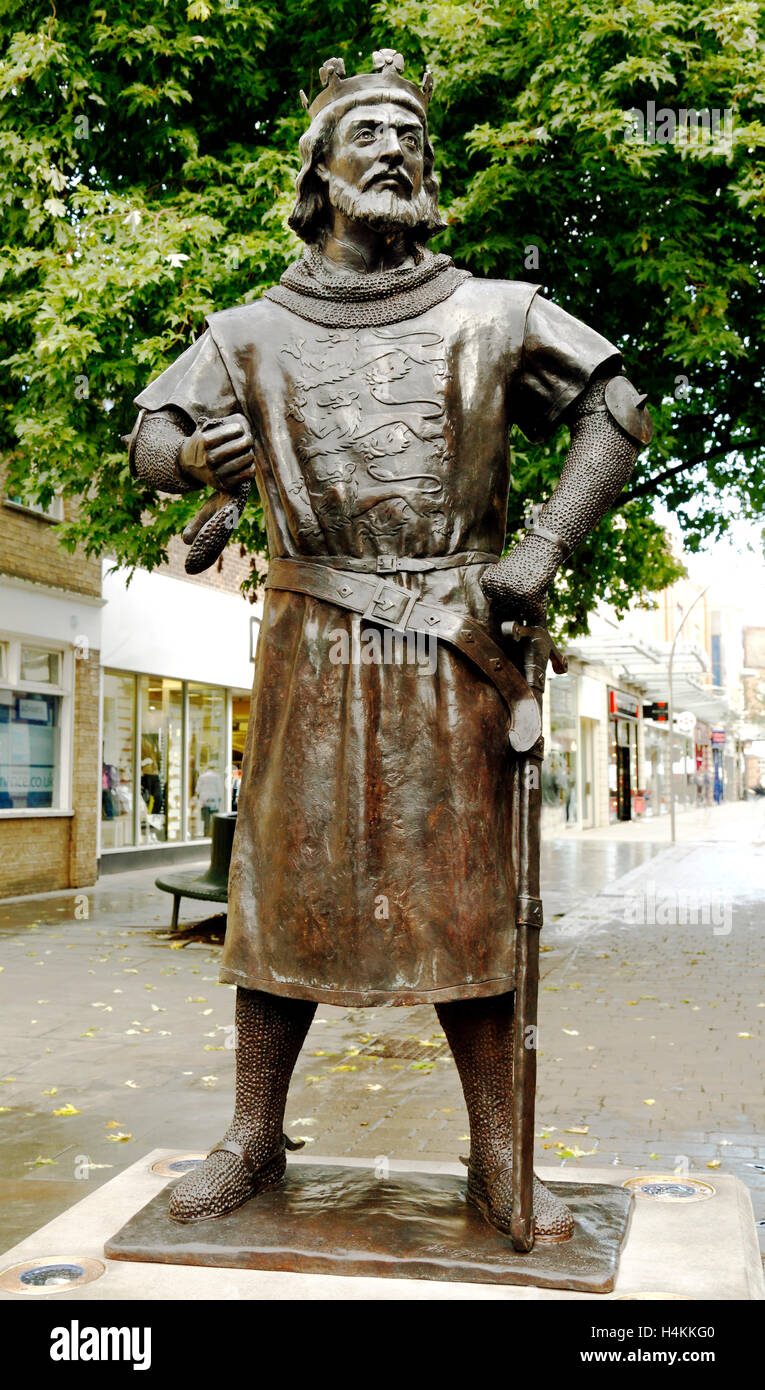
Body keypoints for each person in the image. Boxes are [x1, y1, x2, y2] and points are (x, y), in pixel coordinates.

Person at [128, 49, 651, 1239]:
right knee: (285, 889)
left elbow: (613, 410)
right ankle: (254, 1134)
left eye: (406, 135)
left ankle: (497, 1152)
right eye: (363, 134)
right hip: (311, 642)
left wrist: (544, 550)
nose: (391, 152)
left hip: (456, 641)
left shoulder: (496, 310)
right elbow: (153, 435)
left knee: (469, 901)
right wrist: (193, 457)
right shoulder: (250, 328)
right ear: (319, 169)